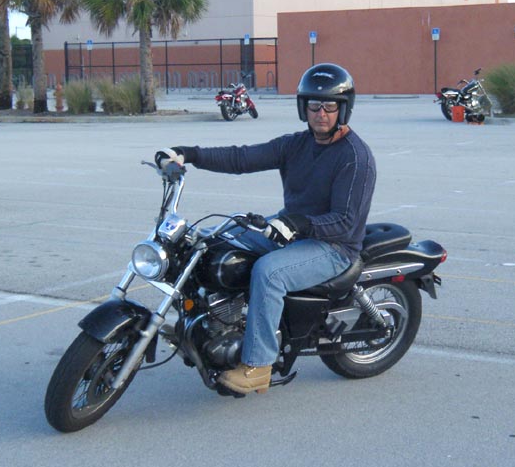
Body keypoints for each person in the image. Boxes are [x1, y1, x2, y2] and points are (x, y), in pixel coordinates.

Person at [160, 63, 376, 395]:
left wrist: (299, 223)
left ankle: (258, 366)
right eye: (313, 105)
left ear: (343, 109)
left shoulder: (355, 158)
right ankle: (205, 324)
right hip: (291, 229)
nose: (320, 113)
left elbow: (345, 221)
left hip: (334, 246)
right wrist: (188, 154)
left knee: (269, 272)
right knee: (209, 242)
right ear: (303, 107)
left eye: (329, 106)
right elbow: (242, 159)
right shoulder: (296, 144)